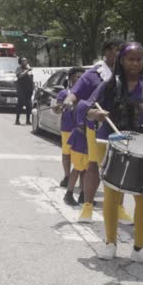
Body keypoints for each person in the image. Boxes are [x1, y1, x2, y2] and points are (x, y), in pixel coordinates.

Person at [78, 42, 143, 267]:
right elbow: (86, 108)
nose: (135, 63)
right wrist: (95, 114)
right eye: (130, 59)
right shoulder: (110, 85)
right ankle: (110, 243)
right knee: (112, 193)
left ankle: (139, 249)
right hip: (111, 142)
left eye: (139, 59)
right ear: (121, 61)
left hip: (141, 145)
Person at [64, 39, 133, 224]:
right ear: (106, 52)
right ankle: (87, 206)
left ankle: (119, 208)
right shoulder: (93, 74)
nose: (118, 54)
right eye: (115, 50)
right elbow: (76, 93)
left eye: (121, 51)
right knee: (93, 166)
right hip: (97, 126)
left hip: (122, 127)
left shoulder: (129, 76)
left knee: (120, 168)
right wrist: (68, 102)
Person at [53, 67, 85, 206]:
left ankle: (83, 190)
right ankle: (67, 176)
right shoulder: (64, 93)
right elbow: (57, 109)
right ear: (71, 78)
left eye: (82, 77)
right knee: (67, 153)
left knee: (83, 161)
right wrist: (58, 108)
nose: (80, 79)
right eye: (77, 76)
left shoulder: (86, 93)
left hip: (82, 130)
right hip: (67, 128)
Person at [14, 57, 33, 125]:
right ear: (20, 62)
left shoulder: (29, 69)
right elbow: (20, 76)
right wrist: (27, 70)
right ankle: (17, 120)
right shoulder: (18, 69)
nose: (25, 62)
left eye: (26, 61)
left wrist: (32, 87)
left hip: (28, 89)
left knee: (29, 105)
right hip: (21, 89)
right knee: (20, 104)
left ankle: (28, 120)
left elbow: (31, 78)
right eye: (23, 61)